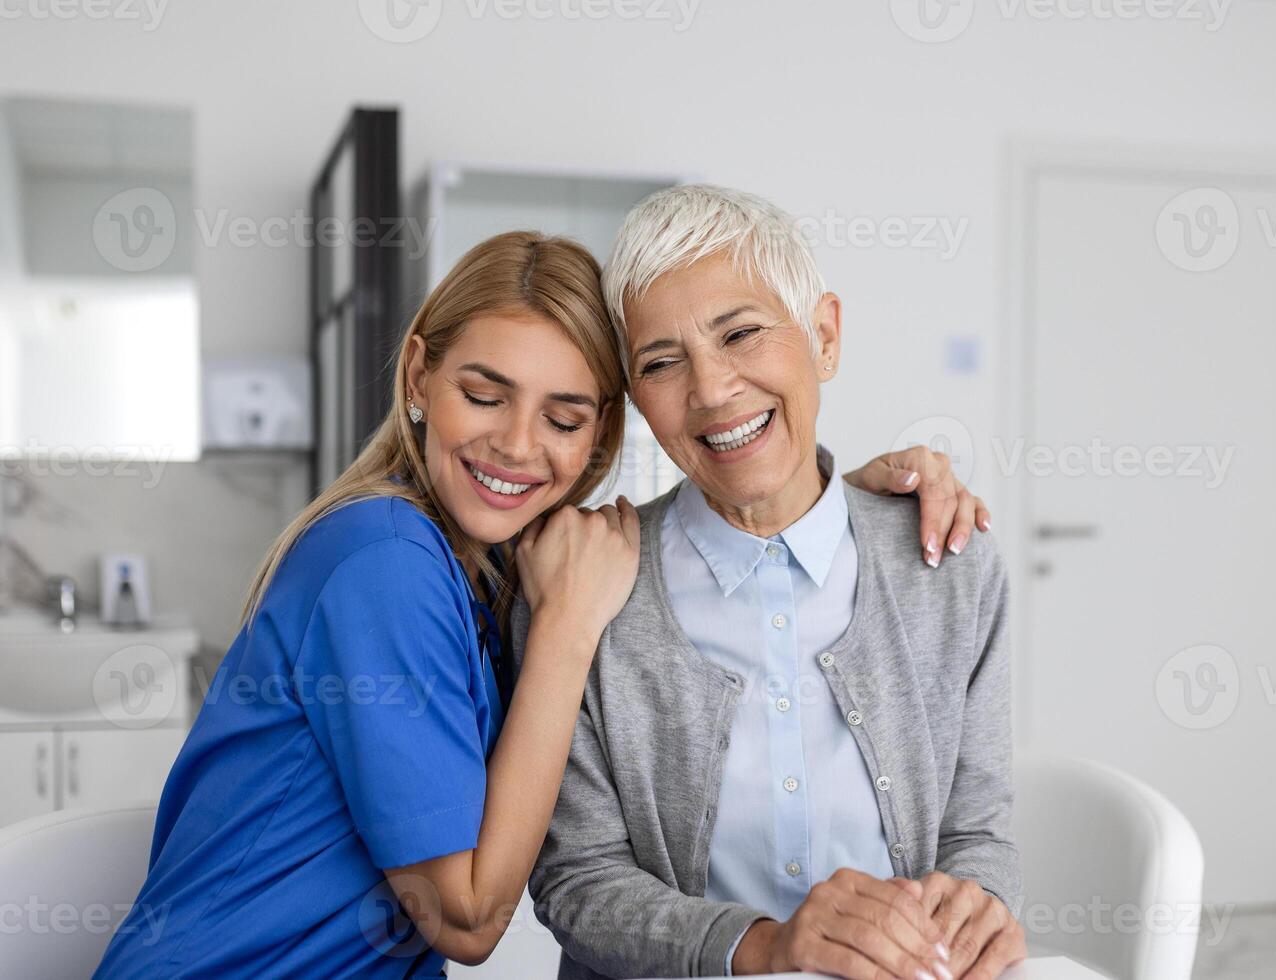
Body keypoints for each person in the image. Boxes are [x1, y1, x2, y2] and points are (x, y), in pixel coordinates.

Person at [95, 229, 989, 978]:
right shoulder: (386, 563)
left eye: (563, 419)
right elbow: (470, 918)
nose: (517, 446)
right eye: (484, 395)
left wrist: (838, 510)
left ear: (602, 433)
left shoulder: (488, 570)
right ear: (418, 376)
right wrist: (567, 626)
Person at [521, 186, 1027, 980]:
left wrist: (977, 904)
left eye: (742, 334)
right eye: (661, 362)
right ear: (636, 401)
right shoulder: (587, 591)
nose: (713, 389)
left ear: (823, 336)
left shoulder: (950, 566)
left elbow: (977, 834)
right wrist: (766, 947)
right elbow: (578, 882)